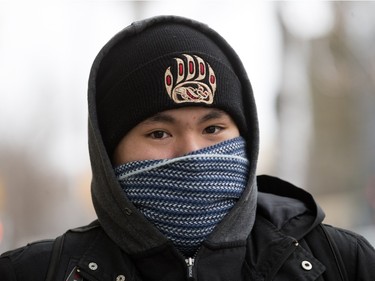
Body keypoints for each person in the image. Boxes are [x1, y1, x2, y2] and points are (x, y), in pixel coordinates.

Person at [0, 15, 374, 281]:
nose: (191, 153)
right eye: (159, 133)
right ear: (108, 154)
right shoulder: (35, 272)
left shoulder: (341, 262)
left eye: (213, 128)